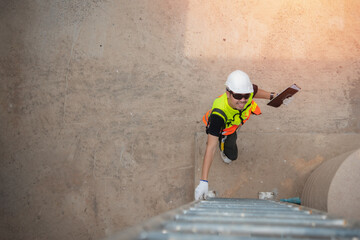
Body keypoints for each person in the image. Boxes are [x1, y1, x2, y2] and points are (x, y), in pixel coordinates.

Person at [194, 70, 277, 200]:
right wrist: (204, 181)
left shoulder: (246, 91)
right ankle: (225, 144)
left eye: (246, 96)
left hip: (235, 122)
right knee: (232, 155)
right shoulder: (218, 116)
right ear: (228, 93)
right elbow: (210, 146)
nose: (243, 100)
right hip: (225, 130)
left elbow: (255, 91)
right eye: (238, 96)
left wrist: (275, 96)